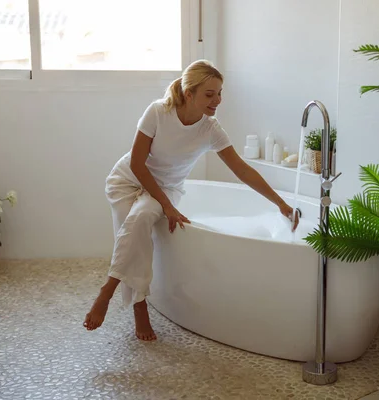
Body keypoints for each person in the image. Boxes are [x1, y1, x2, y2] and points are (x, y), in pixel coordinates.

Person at [83, 59, 300, 341]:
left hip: (166, 187)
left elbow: (242, 170)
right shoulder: (159, 112)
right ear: (190, 94)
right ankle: (138, 308)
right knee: (135, 232)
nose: (217, 100)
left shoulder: (210, 129)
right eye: (210, 94)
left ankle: (107, 290)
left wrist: (280, 203)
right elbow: (137, 164)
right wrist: (168, 207)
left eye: (220, 92)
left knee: (140, 218)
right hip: (127, 180)